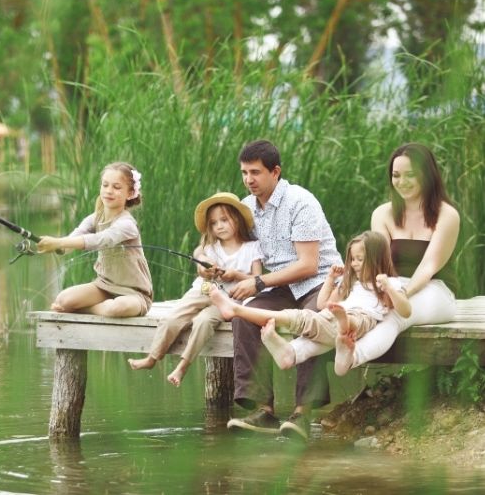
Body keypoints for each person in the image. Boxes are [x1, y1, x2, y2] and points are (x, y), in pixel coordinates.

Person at [291, 143, 460, 375]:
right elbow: (377, 263)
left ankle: (352, 357)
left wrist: (398, 294)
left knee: (394, 314)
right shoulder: (383, 213)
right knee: (342, 311)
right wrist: (357, 289)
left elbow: (429, 266)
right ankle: (293, 352)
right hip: (391, 285)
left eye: (411, 174)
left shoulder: (446, 214)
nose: (402, 182)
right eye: (396, 175)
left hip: (435, 290)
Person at [225, 139, 342, 440]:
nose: (248, 180)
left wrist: (259, 282)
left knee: (312, 317)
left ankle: (303, 413)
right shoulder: (246, 207)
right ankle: (263, 409)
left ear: (275, 172)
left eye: (255, 172)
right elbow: (242, 253)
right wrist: (226, 271)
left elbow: (308, 265)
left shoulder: (301, 202)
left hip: (320, 282)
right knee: (245, 316)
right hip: (281, 286)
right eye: (244, 173)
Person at [210, 231, 411, 375]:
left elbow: (405, 310)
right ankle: (290, 353)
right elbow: (324, 303)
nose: (355, 264)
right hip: (332, 317)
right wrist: (331, 280)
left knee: (310, 318)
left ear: (377, 259)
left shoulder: (388, 282)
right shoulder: (350, 283)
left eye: (360, 259)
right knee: (317, 317)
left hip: (361, 319)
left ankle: (236, 309)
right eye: (353, 259)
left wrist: (389, 287)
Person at [128, 192, 264, 386]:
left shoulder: (252, 247)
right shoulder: (210, 248)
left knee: (203, 321)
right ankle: (152, 358)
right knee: (172, 318)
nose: (219, 226)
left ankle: (182, 367)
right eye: (214, 223)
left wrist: (236, 275)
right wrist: (206, 270)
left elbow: (257, 280)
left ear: (238, 219)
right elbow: (201, 265)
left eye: (224, 220)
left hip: (228, 300)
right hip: (204, 290)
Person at [37, 161, 153, 317]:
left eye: (116, 187)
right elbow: (72, 240)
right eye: (105, 185)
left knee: (117, 308)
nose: (109, 191)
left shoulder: (127, 224)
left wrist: (58, 242)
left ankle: (88, 309)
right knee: (63, 300)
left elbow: (100, 239)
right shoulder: (94, 218)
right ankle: (101, 307)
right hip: (104, 286)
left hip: (134, 293)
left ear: (130, 193)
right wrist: (54, 246)